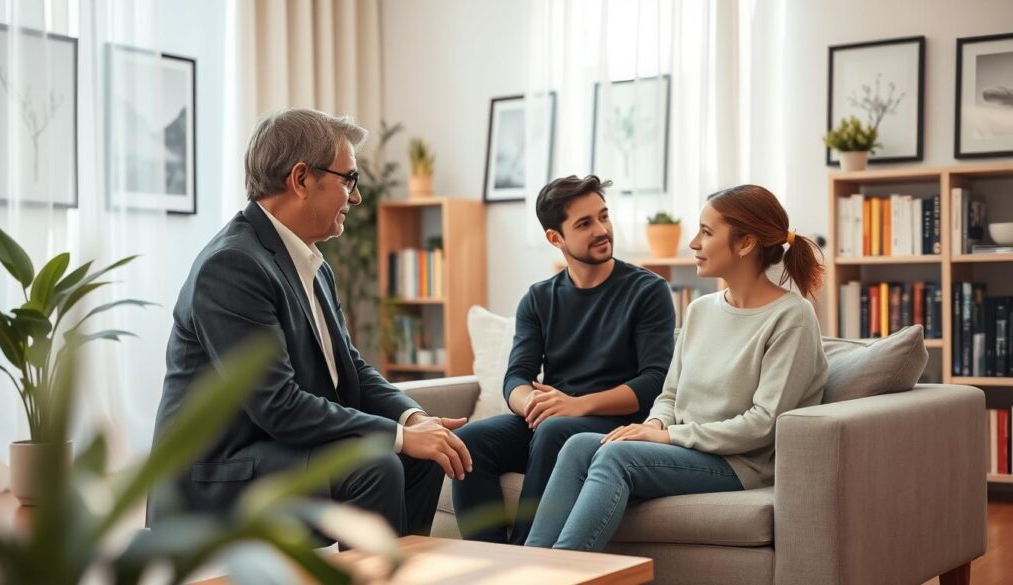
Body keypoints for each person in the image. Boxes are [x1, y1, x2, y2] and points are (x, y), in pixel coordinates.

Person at [147, 109, 471, 539]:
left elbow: (351, 369)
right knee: (375, 465)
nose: (355, 198)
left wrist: (412, 420)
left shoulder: (312, 263)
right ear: (301, 179)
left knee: (424, 455)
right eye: (348, 180)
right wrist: (394, 436)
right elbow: (277, 405)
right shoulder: (232, 265)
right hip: (219, 473)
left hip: (271, 452)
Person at [525, 184, 829, 551]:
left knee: (616, 456)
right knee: (577, 446)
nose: (694, 243)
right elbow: (669, 395)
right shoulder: (700, 310)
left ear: (745, 243)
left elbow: (763, 423)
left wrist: (667, 437)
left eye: (706, 232)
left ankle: (561, 572)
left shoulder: (791, 316)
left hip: (739, 464)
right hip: (684, 449)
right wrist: (652, 425)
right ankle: (532, 566)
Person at [452, 175, 675, 545]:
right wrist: (533, 403)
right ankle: (488, 561)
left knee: (554, 431)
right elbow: (516, 377)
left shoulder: (647, 291)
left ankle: (528, 560)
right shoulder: (538, 299)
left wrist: (574, 406)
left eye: (604, 216)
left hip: (618, 423)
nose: (602, 230)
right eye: (585, 224)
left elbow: (655, 381)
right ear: (555, 238)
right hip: (555, 421)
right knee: (469, 440)